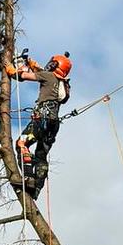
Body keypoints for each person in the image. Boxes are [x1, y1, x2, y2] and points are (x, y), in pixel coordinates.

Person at [5, 50, 73, 199]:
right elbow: (43, 72)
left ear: (55, 65)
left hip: (41, 119)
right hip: (53, 125)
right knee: (41, 157)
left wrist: (10, 68)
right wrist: (31, 63)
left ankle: (28, 178)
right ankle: (36, 189)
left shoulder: (48, 76)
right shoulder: (63, 85)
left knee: (21, 143)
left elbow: (22, 75)